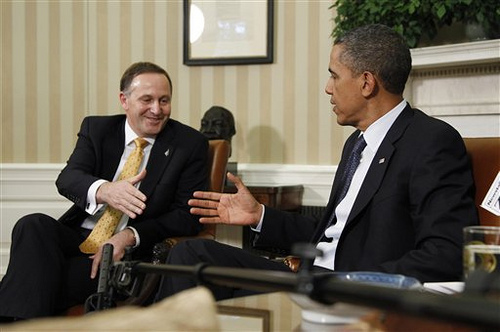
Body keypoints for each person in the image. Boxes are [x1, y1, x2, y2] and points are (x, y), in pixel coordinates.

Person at [155, 24, 479, 301]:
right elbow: (329, 232)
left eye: (334, 76)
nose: (328, 88)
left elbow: (446, 253)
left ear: (366, 83)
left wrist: (355, 282)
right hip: (311, 276)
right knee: (189, 256)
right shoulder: (357, 143)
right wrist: (259, 216)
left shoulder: (431, 141)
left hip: (346, 289)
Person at [0, 62, 209, 320]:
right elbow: (68, 178)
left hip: (125, 256)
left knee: (33, 279)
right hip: (78, 238)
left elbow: (186, 216)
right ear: (124, 100)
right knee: (31, 225)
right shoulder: (97, 129)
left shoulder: (189, 145)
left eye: (164, 100)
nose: (157, 109)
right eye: (147, 99)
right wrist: (105, 190)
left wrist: (130, 235)